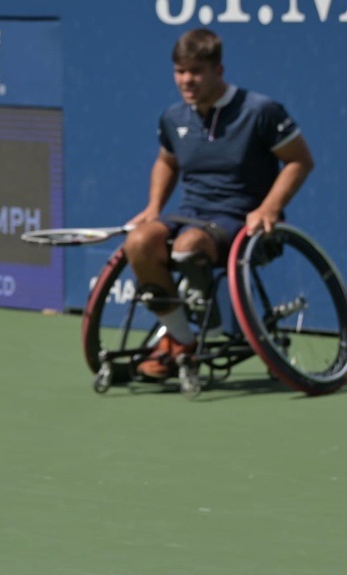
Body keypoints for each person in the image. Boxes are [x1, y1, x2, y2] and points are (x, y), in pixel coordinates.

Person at [124, 28, 314, 379]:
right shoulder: (173, 117)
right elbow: (167, 161)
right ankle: (182, 339)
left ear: (219, 71)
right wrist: (153, 208)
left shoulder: (260, 111)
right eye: (180, 72)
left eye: (195, 72)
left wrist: (269, 207)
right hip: (191, 213)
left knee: (188, 245)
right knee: (138, 241)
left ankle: (196, 337)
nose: (186, 80)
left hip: (242, 219)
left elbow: (300, 160)